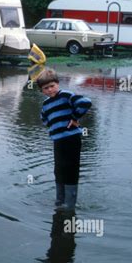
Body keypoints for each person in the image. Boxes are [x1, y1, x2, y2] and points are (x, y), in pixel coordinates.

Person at [37, 69, 91, 209]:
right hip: (58, 141)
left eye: (52, 86)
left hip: (72, 139)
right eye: (45, 88)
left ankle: (70, 204)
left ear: (58, 84)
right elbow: (44, 118)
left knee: (70, 169)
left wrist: (74, 118)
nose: (50, 90)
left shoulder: (66, 95)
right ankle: (59, 200)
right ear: (42, 90)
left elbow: (85, 102)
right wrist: (54, 128)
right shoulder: (46, 104)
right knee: (59, 169)